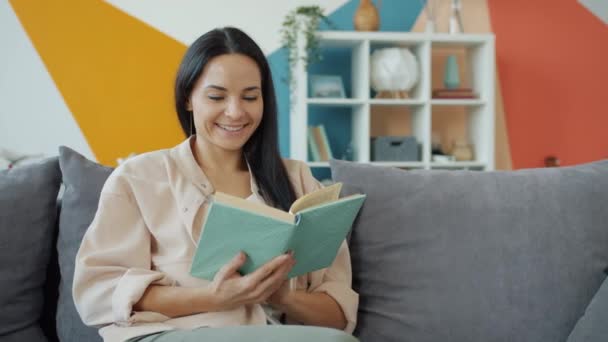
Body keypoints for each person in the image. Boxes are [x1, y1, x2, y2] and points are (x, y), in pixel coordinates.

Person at [72, 27, 358, 342]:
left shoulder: (299, 180)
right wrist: (216, 297)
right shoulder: (138, 179)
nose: (235, 111)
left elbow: (338, 316)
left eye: (250, 96)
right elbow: (100, 291)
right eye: (216, 96)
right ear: (188, 98)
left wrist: (281, 296)